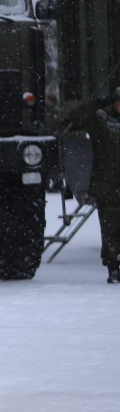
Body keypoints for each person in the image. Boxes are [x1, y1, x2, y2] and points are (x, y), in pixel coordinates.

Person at [72, 85, 120, 283]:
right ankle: (113, 267)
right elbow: (77, 117)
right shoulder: (100, 121)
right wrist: (96, 103)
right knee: (110, 229)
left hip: (109, 183)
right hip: (107, 185)